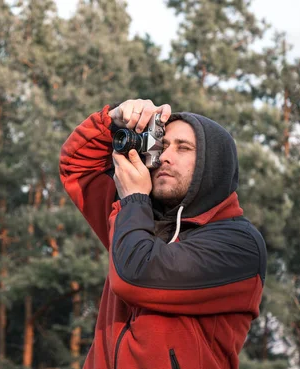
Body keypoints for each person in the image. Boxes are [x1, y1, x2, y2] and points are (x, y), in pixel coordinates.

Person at [59, 99, 267, 369]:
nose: (165, 156)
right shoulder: (136, 217)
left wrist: (134, 198)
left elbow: (136, 275)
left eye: (184, 148)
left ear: (213, 165)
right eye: (162, 145)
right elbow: (76, 166)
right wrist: (113, 120)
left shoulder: (239, 245)